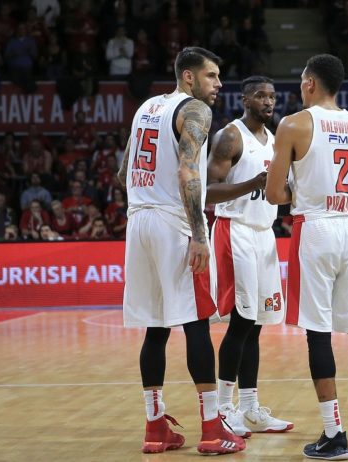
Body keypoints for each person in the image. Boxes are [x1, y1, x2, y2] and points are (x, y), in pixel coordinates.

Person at [266, 54, 348, 459]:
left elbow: (273, 194)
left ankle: (335, 433)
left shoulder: (293, 124)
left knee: (318, 332)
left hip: (316, 228)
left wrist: (299, 188)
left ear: (309, 83)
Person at [116, 47, 244, 455]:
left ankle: (155, 427)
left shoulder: (146, 108)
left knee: (155, 328)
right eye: (211, 76)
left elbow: (123, 171)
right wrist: (199, 233)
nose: (218, 84)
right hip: (173, 223)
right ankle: (212, 428)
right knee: (196, 323)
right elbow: (187, 171)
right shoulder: (195, 110)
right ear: (188, 77)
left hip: (139, 220)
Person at [206, 75, 293, 436]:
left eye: (272, 96)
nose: (268, 102)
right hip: (235, 230)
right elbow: (208, 191)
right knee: (241, 322)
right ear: (244, 99)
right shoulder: (230, 135)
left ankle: (250, 408)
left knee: (256, 325)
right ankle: (223, 408)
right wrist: (252, 184)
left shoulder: (275, 140)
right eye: (260, 96)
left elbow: (278, 193)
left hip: (264, 233)